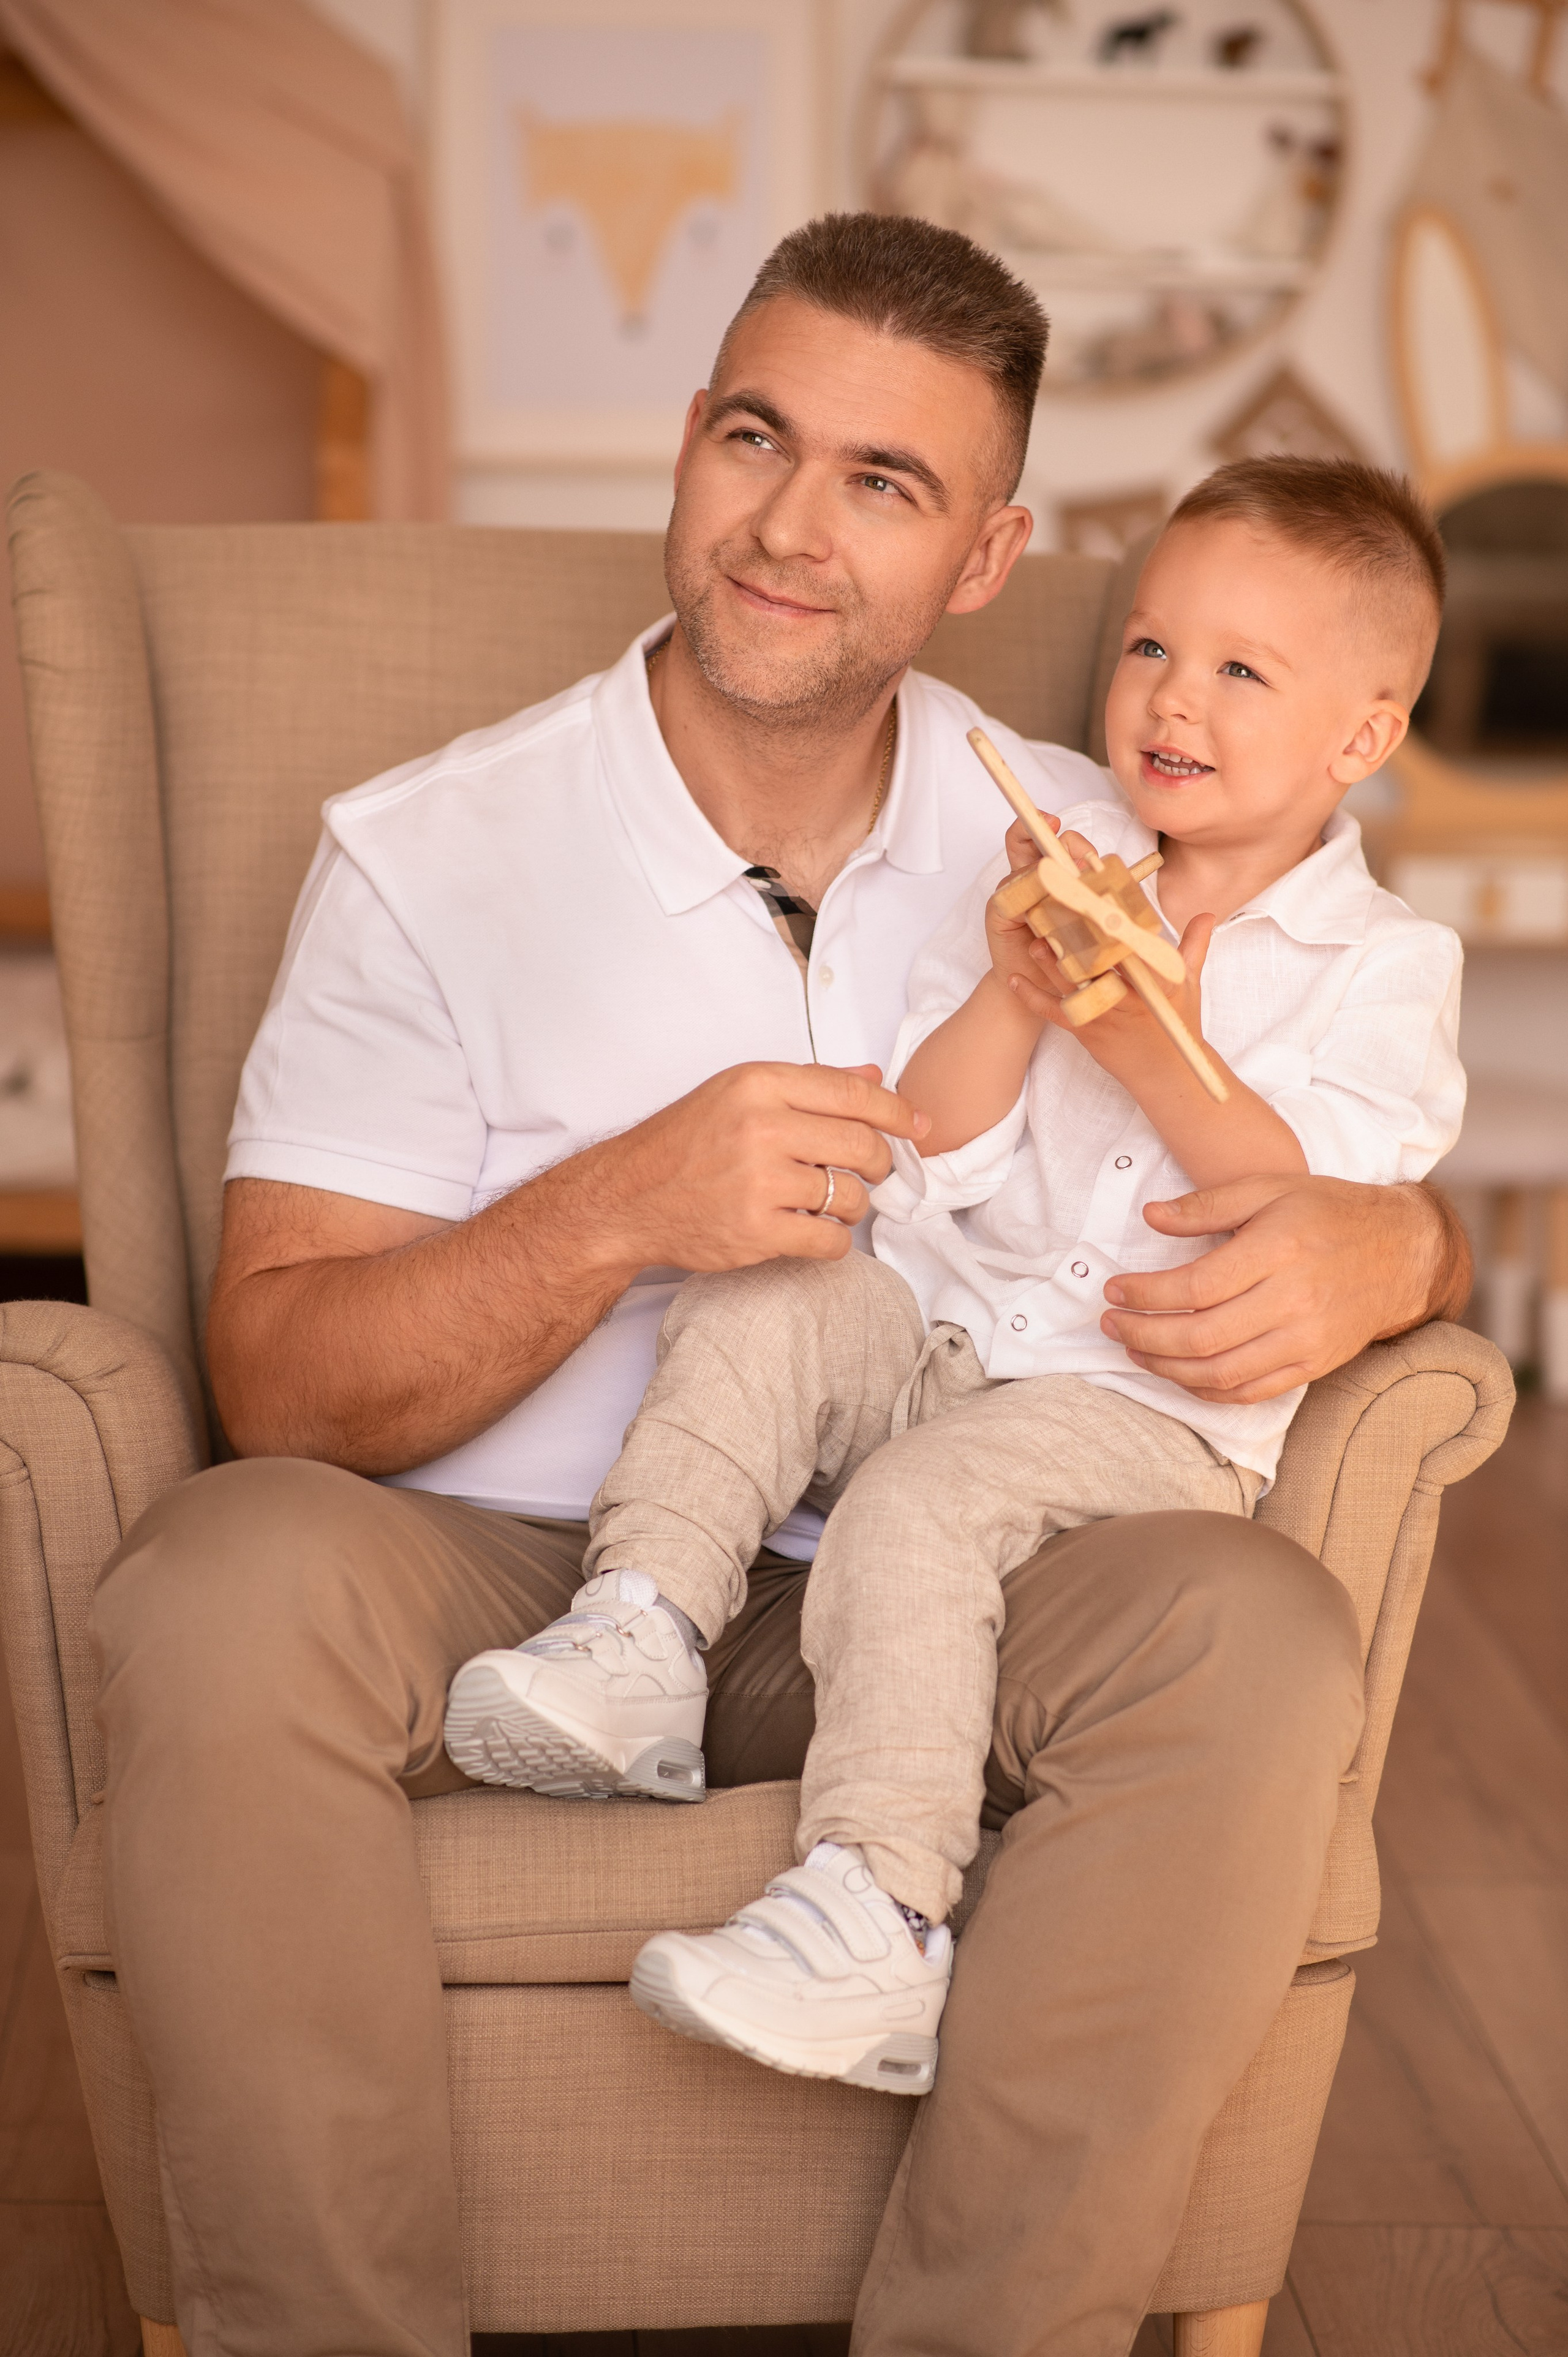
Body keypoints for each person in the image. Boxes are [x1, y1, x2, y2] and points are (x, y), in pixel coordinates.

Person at [93, 214, 1470, 2357]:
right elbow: (271, 1365)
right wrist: (615, 1208)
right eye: (758, 437)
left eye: (886, 483)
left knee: (1261, 1641)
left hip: (954, 1540)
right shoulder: (428, 857)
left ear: (988, 558)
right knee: (208, 1579)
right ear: (687, 442)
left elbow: (1320, 1079)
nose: (790, 529)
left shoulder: (1111, 828)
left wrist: (1403, 1245)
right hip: (494, 1558)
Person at [447, 458, 1460, 2103]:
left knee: (918, 1506)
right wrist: (1012, 988)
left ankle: (881, 1912)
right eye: (1149, 649)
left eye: (1239, 672)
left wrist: (1142, 1028)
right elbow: (936, 1152)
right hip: (945, 1322)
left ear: (1361, 737)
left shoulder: (1388, 969)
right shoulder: (1054, 872)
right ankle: (640, 1631)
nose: (1170, 701)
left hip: (1142, 1404)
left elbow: (1299, 1208)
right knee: (768, 1293)